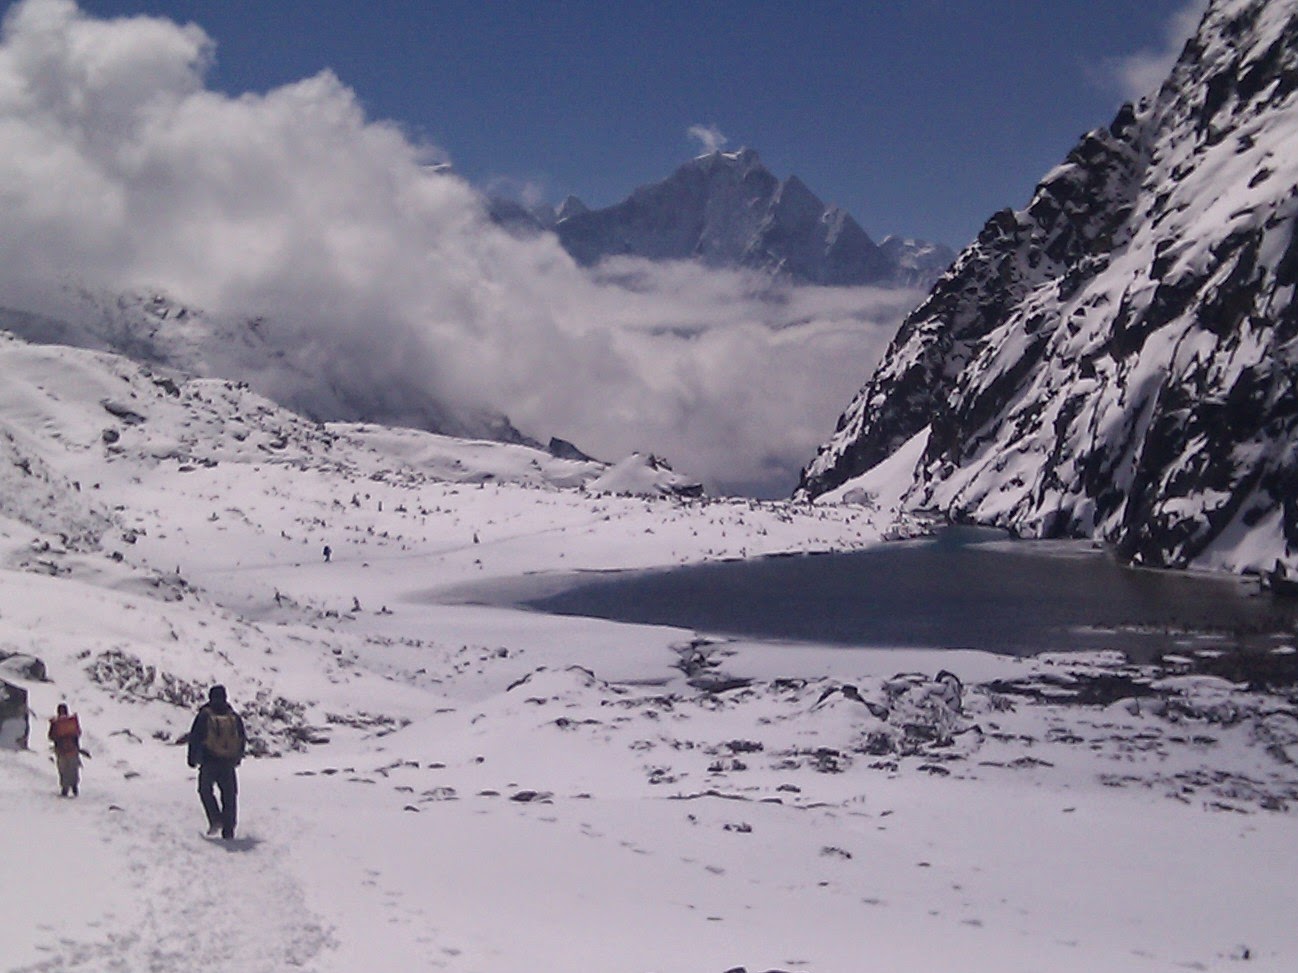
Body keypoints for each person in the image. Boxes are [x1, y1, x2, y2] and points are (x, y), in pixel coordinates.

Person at [187, 685, 247, 840]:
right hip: (228, 763)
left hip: (209, 761)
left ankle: (215, 819)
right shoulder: (233, 716)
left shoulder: (205, 715)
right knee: (229, 796)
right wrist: (237, 757)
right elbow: (242, 738)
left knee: (205, 791)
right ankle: (229, 830)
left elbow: (195, 737)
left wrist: (192, 759)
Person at [48, 703, 83, 797]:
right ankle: (74, 787)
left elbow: (51, 736)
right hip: (73, 750)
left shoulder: (55, 723)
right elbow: (78, 733)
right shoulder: (72, 721)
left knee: (63, 770)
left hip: (61, 751)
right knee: (73, 769)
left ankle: (65, 788)